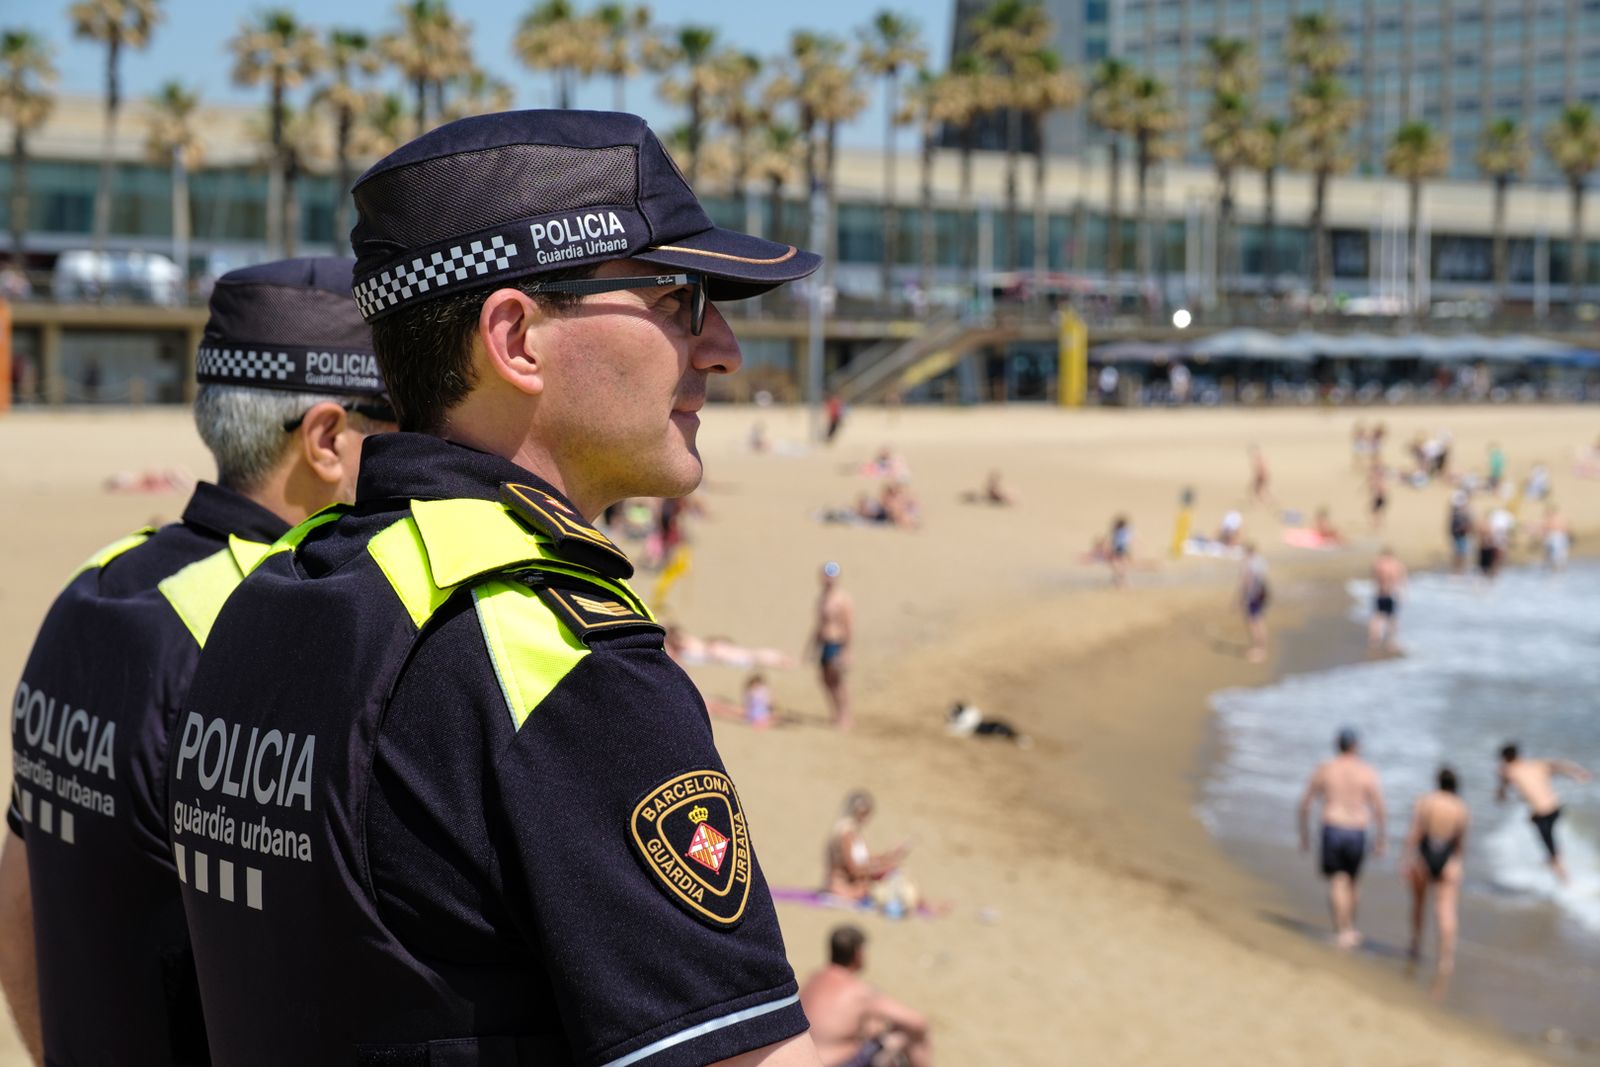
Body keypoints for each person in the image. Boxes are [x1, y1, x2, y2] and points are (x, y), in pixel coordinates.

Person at [167, 112, 823, 1065]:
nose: (722, 348)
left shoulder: (273, 599)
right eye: (678, 297)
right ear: (515, 338)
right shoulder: (558, 665)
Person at [0, 258, 393, 1067]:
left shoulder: (94, 585)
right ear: (327, 439)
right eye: (401, 426)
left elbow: (19, 906)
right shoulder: (276, 628)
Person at [1297, 728, 1388, 949]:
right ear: (1356, 746)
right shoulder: (1366, 771)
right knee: (1353, 880)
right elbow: (1379, 808)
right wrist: (1381, 839)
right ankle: (1351, 928)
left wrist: (1304, 835)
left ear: (1337, 744)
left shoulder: (1326, 768)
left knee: (1338, 879)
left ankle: (1342, 930)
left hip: (1334, 827)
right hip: (1357, 830)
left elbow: (1305, 804)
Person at [799, 926, 932, 1067]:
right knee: (906, 1035)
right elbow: (918, 1022)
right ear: (859, 954)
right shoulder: (858, 991)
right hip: (836, 1063)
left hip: (804, 1060)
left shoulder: (813, 979)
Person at [1403, 767, 1470, 985]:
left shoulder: (1426, 801)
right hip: (1448, 859)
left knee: (1419, 904)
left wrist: (1406, 858)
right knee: (1446, 910)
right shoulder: (1461, 807)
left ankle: (1415, 945)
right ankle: (1445, 959)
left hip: (1424, 856)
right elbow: (1460, 842)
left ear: (1438, 782)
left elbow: (1415, 832)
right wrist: (1458, 863)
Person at [1497, 743, 1592, 883]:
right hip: (1556, 808)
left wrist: (1501, 793)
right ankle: (1553, 866)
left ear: (1505, 758)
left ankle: (1567, 883)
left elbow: (1502, 791)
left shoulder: (1509, 770)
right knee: (1541, 830)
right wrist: (1579, 772)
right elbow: (1560, 764)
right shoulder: (1537, 764)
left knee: (1552, 852)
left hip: (1542, 815)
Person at [824, 792, 909, 905]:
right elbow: (854, 869)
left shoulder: (853, 832)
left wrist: (890, 856)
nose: (865, 819)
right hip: (844, 888)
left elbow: (866, 860)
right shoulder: (845, 834)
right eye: (863, 814)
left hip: (857, 885)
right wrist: (881, 869)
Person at [812, 560, 856, 729]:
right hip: (825, 642)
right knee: (825, 679)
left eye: (831, 576)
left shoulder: (842, 599)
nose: (828, 579)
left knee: (837, 680)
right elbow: (818, 625)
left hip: (837, 642)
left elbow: (848, 626)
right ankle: (836, 713)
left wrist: (847, 650)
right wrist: (811, 647)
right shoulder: (822, 599)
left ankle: (846, 715)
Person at [1368, 546, 1407, 653]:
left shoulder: (1377, 564)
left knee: (1377, 616)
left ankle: (1374, 641)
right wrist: (1403, 593)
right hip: (1390, 594)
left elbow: (1374, 577)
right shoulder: (1395, 565)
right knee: (1391, 619)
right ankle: (1391, 642)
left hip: (1379, 594)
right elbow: (1401, 578)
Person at [1239, 542, 1270, 662]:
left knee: (1253, 621)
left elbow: (1247, 581)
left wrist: (1243, 598)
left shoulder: (1250, 563)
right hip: (1262, 592)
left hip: (1254, 594)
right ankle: (1261, 648)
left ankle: (1258, 648)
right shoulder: (1260, 561)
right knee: (1258, 620)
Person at [1447, 491, 1473, 575]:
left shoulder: (1462, 511)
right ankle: (1457, 570)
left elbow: (1468, 524)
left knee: (1461, 553)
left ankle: (1460, 570)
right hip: (1458, 534)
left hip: (1462, 534)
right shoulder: (1457, 512)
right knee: (1458, 553)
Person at [1539, 502, 1571, 572]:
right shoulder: (1549, 519)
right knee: (1552, 555)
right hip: (1555, 538)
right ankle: (1554, 568)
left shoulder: (1556, 519)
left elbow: (1565, 528)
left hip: (1558, 537)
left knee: (1558, 556)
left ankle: (1556, 568)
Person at [1108, 514, 1133, 587]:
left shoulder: (1117, 531)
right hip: (1123, 549)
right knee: (1123, 566)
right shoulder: (1126, 531)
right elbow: (1128, 541)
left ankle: (1119, 581)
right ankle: (1122, 581)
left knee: (1117, 565)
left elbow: (1114, 541)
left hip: (1119, 549)